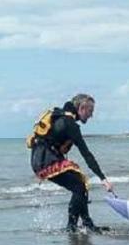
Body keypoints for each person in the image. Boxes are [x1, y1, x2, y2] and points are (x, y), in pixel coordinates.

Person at [26, 93, 114, 232]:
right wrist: (103, 178)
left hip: (41, 158)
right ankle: (72, 226)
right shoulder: (69, 123)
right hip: (45, 160)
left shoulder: (62, 117)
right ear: (82, 107)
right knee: (79, 186)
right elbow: (86, 154)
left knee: (80, 184)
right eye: (90, 111)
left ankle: (86, 223)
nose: (91, 116)